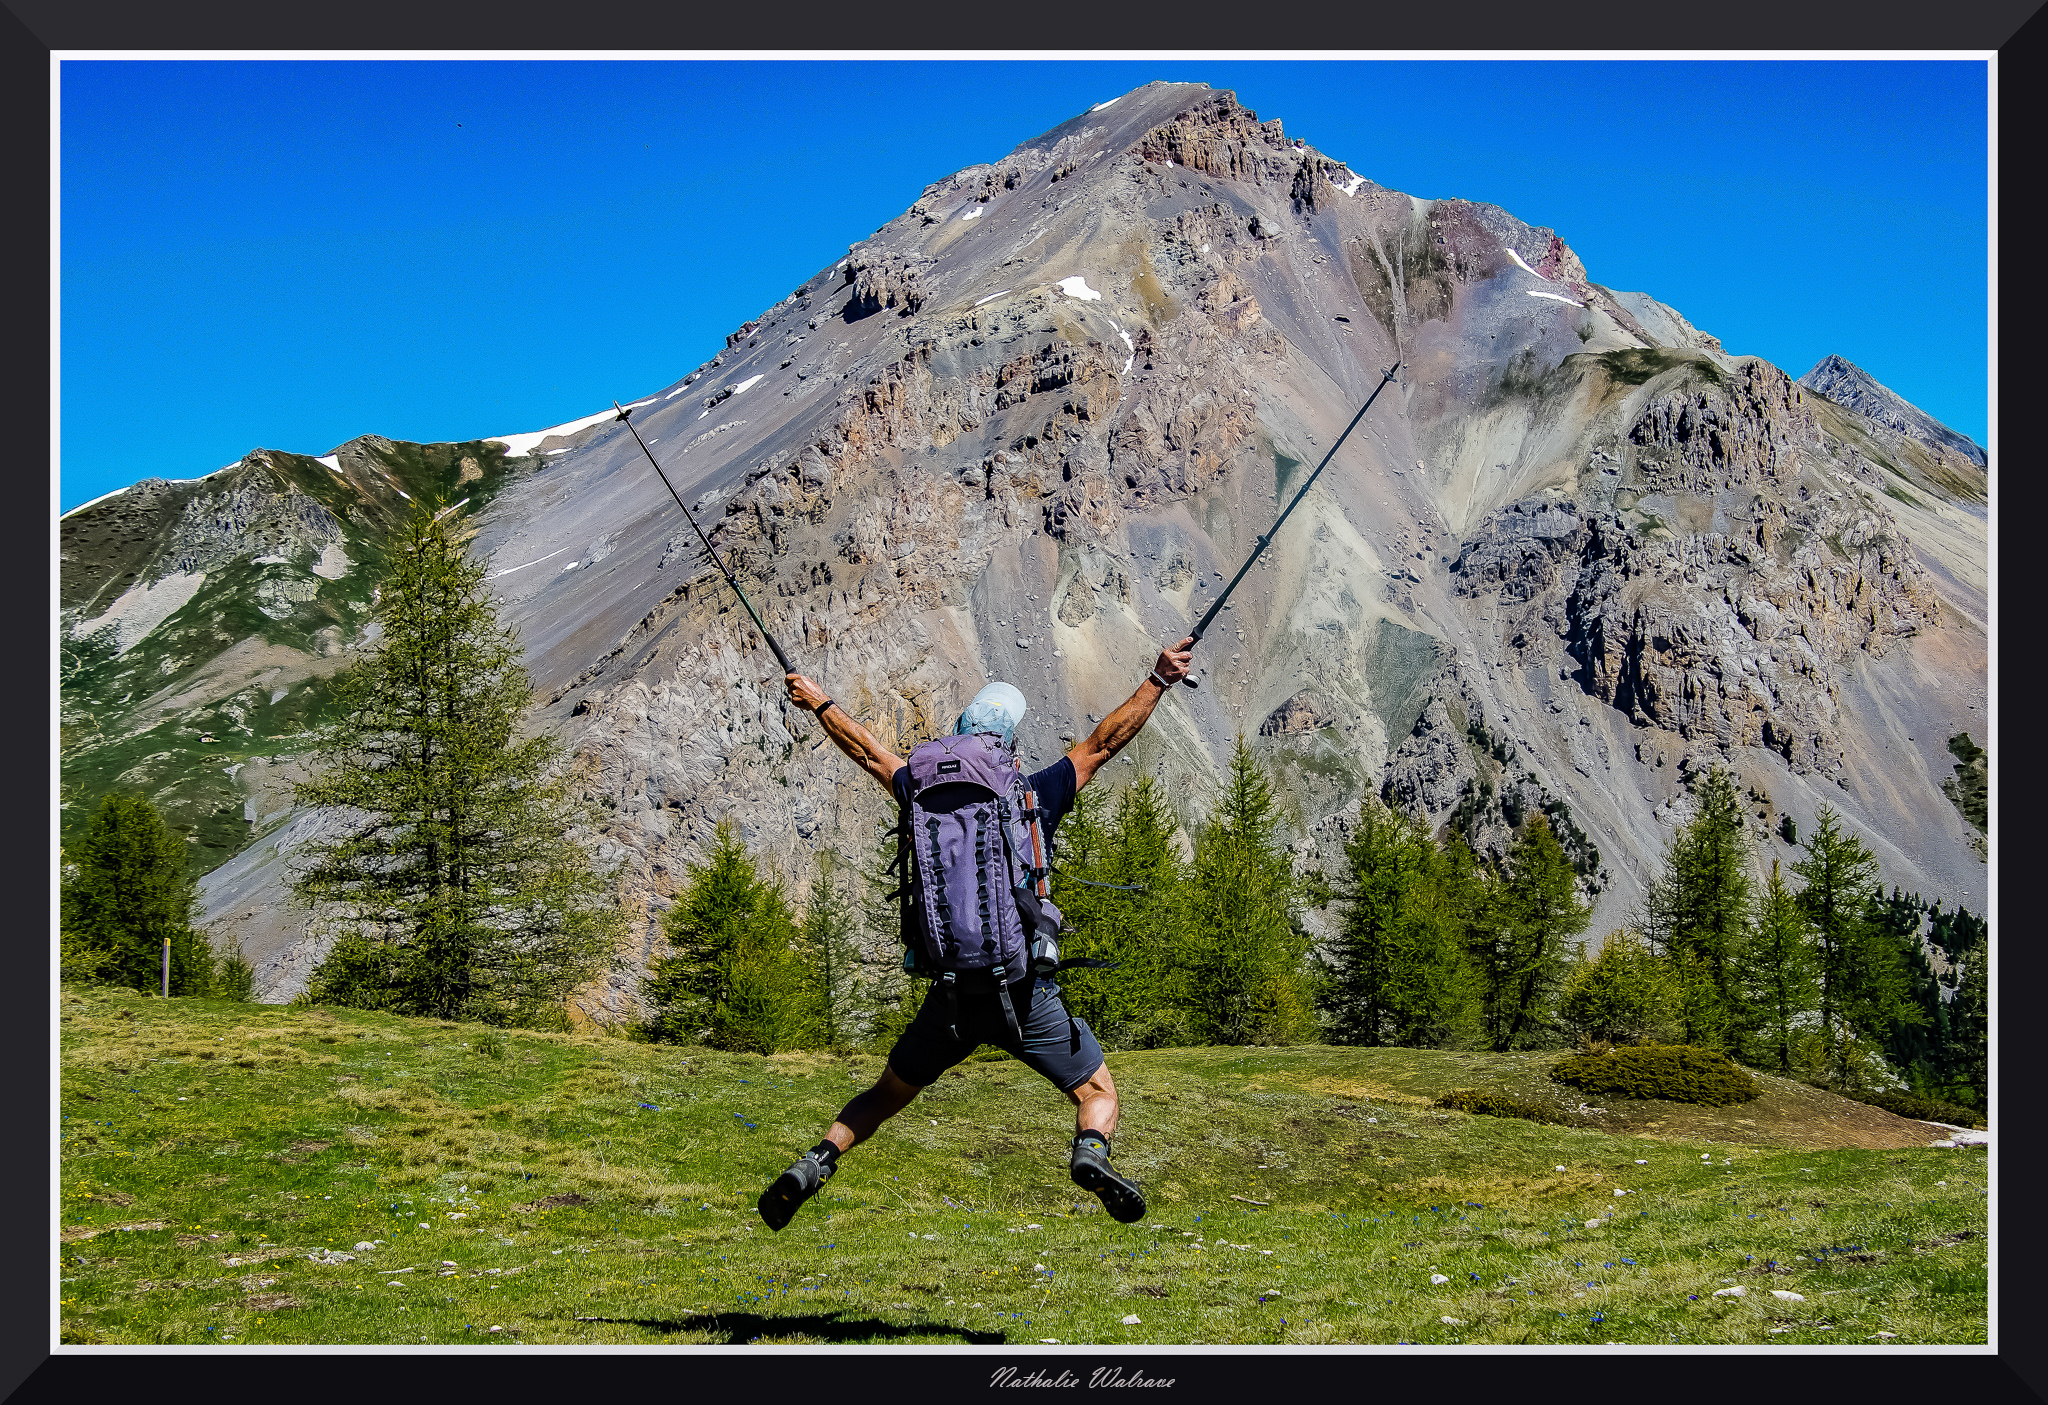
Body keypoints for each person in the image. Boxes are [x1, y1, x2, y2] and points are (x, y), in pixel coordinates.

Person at [756, 635, 1197, 1231]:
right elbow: (1104, 742)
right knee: (1097, 1092)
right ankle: (1091, 1153)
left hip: (951, 996)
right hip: (1022, 993)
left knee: (884, 1096)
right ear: (1007, 740)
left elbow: (868, 752)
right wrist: (1160, 678)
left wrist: (819, 702)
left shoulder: (919, 789)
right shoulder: (1033, 794)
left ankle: (816, 1162)